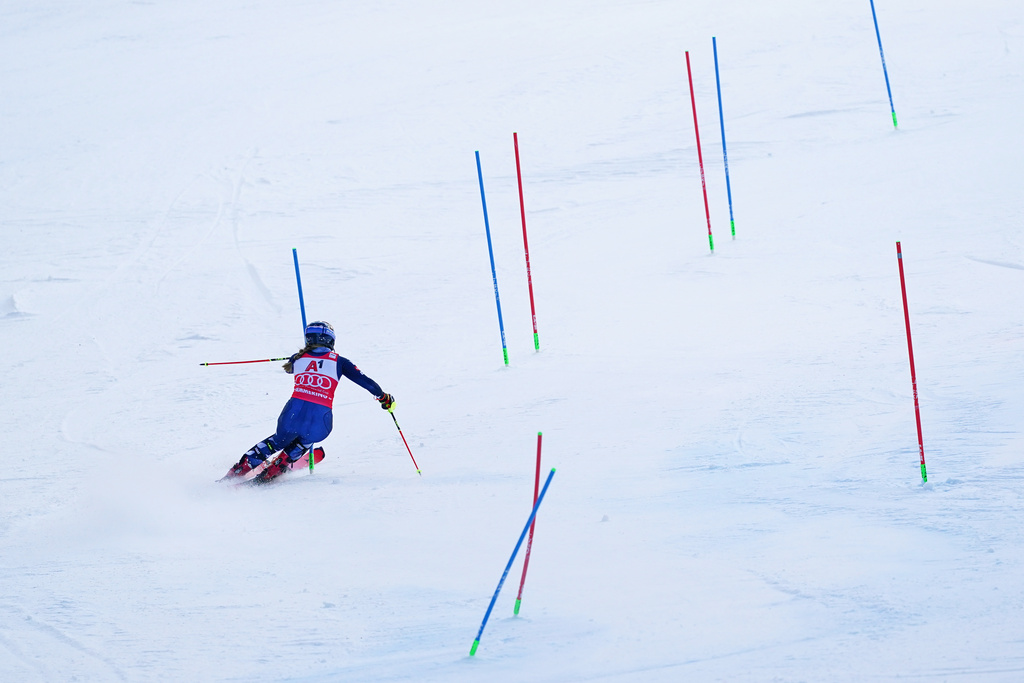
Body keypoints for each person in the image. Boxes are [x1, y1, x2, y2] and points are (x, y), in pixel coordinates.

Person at [221, 320, 394, 484]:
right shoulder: (340, 362)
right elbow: (367, 382)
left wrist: (297, 357)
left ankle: (237, 472)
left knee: (277, 440)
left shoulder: (298, 359)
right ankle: (274, 470)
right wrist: (383, 397)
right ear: (330, 339)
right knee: (306, 439)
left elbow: (292, 368)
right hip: (321, 420)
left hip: (292, 414)